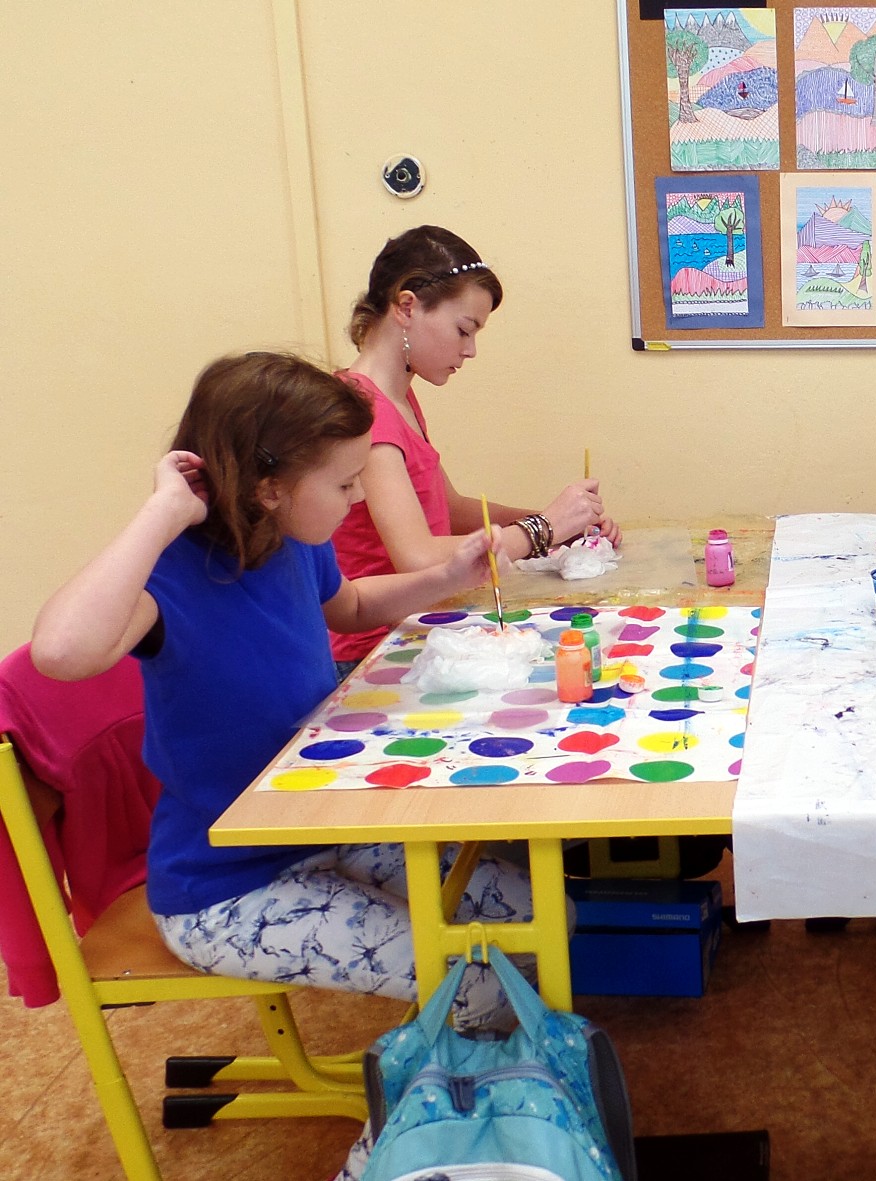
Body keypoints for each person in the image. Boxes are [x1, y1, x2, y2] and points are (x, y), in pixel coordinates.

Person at [29, 353, 545, 1180]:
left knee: (535, 915)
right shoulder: (168, 574)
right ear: (268, 486)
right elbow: (59, 651)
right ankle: (396, 1157)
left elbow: (351, 605)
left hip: (314, 825)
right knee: (476, 984)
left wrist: (444, 575)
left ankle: (479, 1099)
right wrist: (161, 511)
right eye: (342, 484)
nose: (356, 498)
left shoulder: (290, 541)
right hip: (223, 887)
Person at [331, 225, 621, 671]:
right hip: (374, 651)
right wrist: (543, 528)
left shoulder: (396, 399)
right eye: (463, 330)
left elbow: (449, 509)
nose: (470, 350)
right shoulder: (362, 411)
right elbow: (417, 556)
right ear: (407, 306)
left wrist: (562, 523)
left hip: (416, 628)